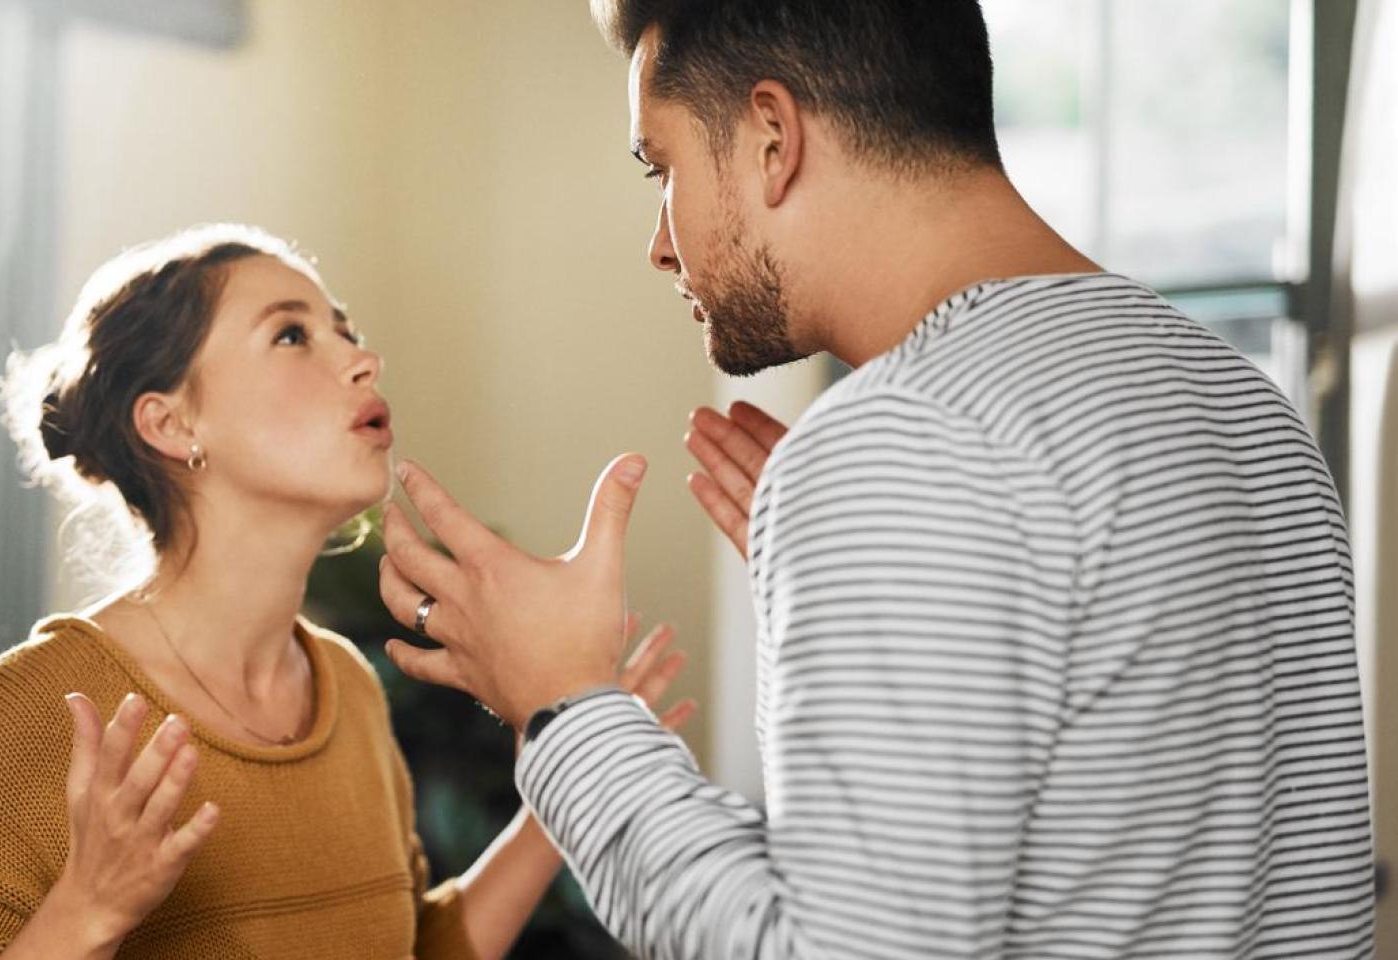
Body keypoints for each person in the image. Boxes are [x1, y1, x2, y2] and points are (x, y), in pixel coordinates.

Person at [374, 1, 1376, 957]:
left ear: (772, 135)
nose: (658, 242)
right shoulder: (1239, 401)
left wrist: (563, 705)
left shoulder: (902, 439)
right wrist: (869, 572)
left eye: (658, 168)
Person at [0, 223, 695, 959]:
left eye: (348, 331)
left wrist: (556, 796)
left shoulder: (348, 691)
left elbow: (412, 949)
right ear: (170, 424)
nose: (362, 358)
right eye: (293, 335)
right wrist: (85, 913)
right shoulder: (40, 708)